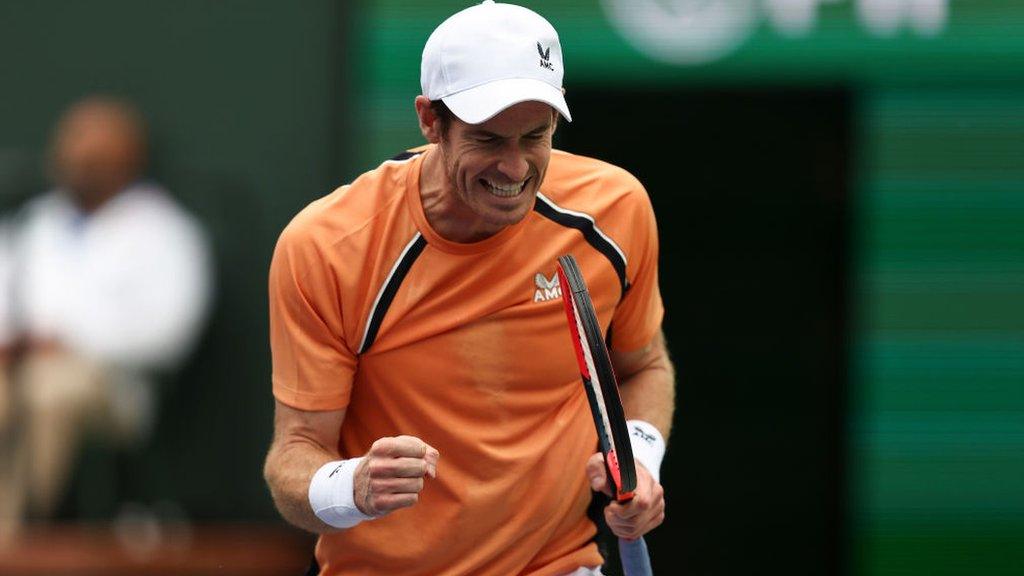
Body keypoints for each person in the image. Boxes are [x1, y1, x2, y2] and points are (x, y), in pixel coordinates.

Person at [263, 2, 675, 575]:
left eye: (536, 136)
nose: (514, 168)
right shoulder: (327, 247)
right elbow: (295, 455)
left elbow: (643, 366)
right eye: (487, 140)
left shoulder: (615, 211)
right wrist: (351, 486)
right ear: (430, 120)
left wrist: (639, 462)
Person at [0, 96, 212, 538]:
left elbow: (168, 332)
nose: (80, 164)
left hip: (114, 387)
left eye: (95, 157)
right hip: (19, 365)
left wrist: (66, 340)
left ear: (128, 160)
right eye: (72, 153)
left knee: (46, 389)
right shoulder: (33, 223)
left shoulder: (166, 231)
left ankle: (18, 534)